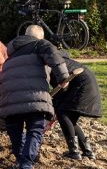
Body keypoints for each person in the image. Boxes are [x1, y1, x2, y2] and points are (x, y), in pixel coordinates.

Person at [0, 25, 70, 169]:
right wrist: (63, 78)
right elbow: (54, 56)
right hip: (34, 96)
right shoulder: (40, 45)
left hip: (10, 98)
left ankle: (20, 161)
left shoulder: (10, 56)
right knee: (35, 129)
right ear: (39, 37)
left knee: (15, 131)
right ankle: (25, 167)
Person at [26, 24, 102, 160]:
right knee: (69, 118)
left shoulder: (44, 52)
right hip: (81, 81)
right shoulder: (47, 50)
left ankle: (74, 151)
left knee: (63, 114)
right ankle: (87, 151)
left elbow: (55, 77)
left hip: (80, 81)